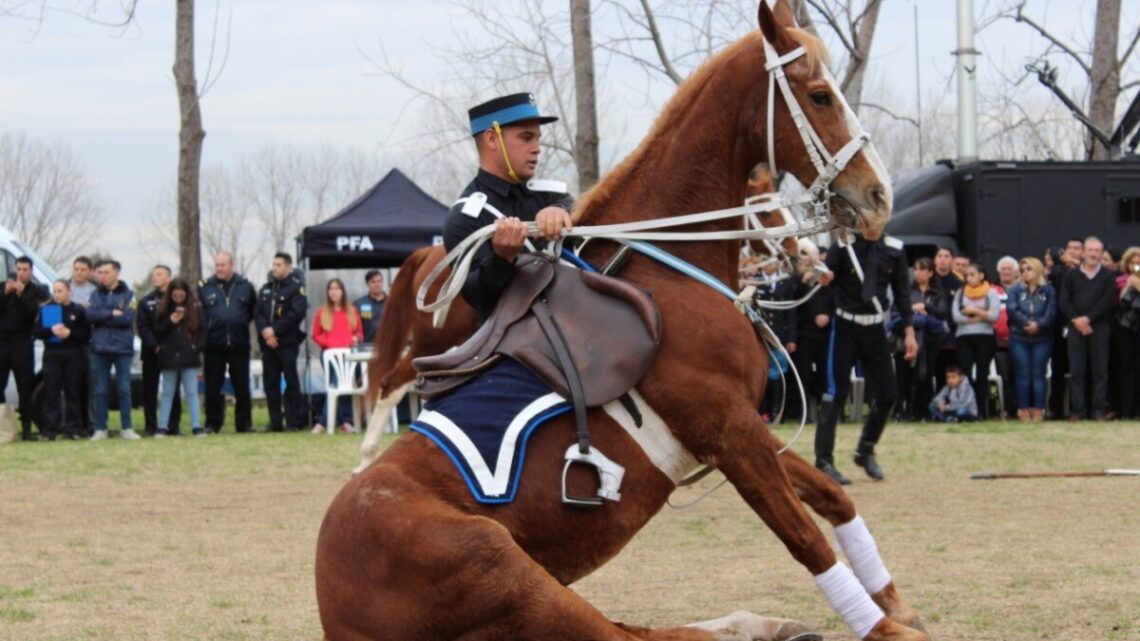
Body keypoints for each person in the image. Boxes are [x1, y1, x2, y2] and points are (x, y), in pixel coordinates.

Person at [442, 92, 574, 321]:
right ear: (492, 139)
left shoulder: (551, 195)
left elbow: (592, 215)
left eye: (537, 138)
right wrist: (501, 257)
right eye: (526, 137)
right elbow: (478, 298)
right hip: (516, 349)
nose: (537, 148)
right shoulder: (465, 218)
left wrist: (561, 209)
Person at [814, 228, 917, 485]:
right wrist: (823, 278)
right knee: (835, 393)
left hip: (875, 328)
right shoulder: (843, 244)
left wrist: (909, 332)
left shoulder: (895, 247)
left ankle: (866, 449)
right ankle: (824, 461)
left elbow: (903, 294)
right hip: (846, 326)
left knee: (888, 393)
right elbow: (826, 278)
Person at [1059, 237, 1116, 420]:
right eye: (1090, 250)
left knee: (1099, 371)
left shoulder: (1108, 275)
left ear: (1101, 253)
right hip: (1076, 327)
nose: (1093, 254)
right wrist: (1077, 320)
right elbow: (1064, 301)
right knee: (1077, 370)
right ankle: (1078, 410)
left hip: (1099, 327)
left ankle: (1098, 410)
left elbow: (1108, 301)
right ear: (1083, 253)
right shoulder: (1071, 275)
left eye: (1097, 251)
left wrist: (1088, 319)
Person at [200, 251, 256, 434]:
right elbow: (201, 315)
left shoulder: (245, 286)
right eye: (217, 265)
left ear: (232, 265)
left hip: (239, 344)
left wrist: (236, 323)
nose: (219, 269)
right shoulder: (206, 287)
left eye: (223, 265)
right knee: (213, 386)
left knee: (241, 386)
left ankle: (244, 424)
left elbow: (252, 312)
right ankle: (213, 423)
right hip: (214, 345)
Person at [255, 252, 308, 433]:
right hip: (268, 344)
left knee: (291, 381)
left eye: (279, 265)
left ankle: (292, 422)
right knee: (271, 383)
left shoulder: (296, 288)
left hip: (286, 343)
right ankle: (275, 421)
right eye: (274, 264)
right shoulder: (266, 288)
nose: (275, 268)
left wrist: (275, 330)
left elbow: (296, 314)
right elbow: (259, 313)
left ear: (288, 267)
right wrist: (266, 333)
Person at [87, 260, 139, 440]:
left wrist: (103, 316)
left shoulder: (129, 295)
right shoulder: (94, 295)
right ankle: (100, 428)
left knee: (124, 388)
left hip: (122, 348)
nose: (102, 276)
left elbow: (127, 318)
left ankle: (127, 427)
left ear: (116, 272)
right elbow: (90, 315)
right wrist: (111, 313)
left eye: (106, 272)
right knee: (100, 389)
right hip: (99, 348)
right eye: (99, 272)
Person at [0, 256, 50, 440]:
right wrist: (6, 293)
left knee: (25, 387)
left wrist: (20, 296)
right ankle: (3, 425)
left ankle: (27, 429)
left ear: (31, 271)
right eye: (18, 269)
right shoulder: (3, 286)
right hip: (2, 342)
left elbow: (32, 314)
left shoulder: (37, 292)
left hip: (23, 342)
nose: (21, 273)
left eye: (25, 270)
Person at [893, 257, 949, 421]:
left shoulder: (937, 293)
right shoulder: (906, 292)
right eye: (915, 269)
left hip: (930, 341)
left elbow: (942, 315)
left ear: (930, 272)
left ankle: (923, 411)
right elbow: (896, 314)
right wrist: (914, 311)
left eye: (921, 269)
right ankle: (903, 410)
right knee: (904, 377)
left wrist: (926, 307)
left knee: (924, 376)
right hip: (906, 340)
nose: (917, 273)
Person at [33, 280, 90, 440]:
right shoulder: (48, 309)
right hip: (52, 354)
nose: (57, 295)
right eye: (55, 291)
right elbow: (37, 332)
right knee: (52, 392)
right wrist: (50, 330)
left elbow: (86, 335)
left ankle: (73, 429)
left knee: (73, 392)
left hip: (73, 354)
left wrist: (69, 333)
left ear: (69, 291)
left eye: (60, 291)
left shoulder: (78, 310)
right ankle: (50, 430)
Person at [153, 280, 205, 437]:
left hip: (189, 355)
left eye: (181, 294)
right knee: (167, 392)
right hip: (169, 356)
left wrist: (196, 348)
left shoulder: (196, 308)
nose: (178, 297)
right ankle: (162, 426)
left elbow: (203, 332)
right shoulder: (162, 309)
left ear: (186, 293)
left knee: (191, 392)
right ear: (170, 294)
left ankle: (196, 426)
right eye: (174, 294)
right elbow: (158, 331)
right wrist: (171, 321)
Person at [1006, 257, 1056, 422]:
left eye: (1029, 269)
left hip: (1042, 337)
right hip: (1019, 336)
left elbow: (1051, 312)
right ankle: (1024, 408)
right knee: (1023, 373)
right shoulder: (1015, 290)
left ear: (1038, 270)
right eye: (1023, 270)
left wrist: (1039, 325)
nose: (1025, 273)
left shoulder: (1048, 290)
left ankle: (1039, 408)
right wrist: (1027, 323)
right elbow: (1012, 311)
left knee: (1038, 373)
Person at [312, 278, 364, 434]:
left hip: (348, 355)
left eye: (337, 288)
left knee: (338, 387)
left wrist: (355, 339)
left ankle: (326, 423)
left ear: (342, 291)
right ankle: (339, 422)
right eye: (331, 289)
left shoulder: (352, 311)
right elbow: (316, 335)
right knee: (335, 385)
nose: (334, 292)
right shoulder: (322, 311)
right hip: (329, 355)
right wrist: (329, 343)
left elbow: (360, 333)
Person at [950, 263, 1001, 419]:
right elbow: (956, 317)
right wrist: (982, 317)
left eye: (972, 274)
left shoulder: (991, 293)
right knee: (965, 373)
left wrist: (973, 311)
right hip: (964, 337)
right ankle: (967, 407)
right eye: (967, 275)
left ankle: (982, 410)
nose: (969, 277)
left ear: (981, 275)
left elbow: (994, 316)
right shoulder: (960, 293)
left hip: (985, 337)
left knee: (982, 373)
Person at [136, 265, 181, 436]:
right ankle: (150, 426)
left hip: (171, 351)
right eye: (153, 274)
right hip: (151, 352)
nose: (155, 277)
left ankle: (172, 425)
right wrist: (154, 345)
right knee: (150, 390)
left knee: (173, 390)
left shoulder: (176, 301)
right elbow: (143, 327)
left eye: (159, 274)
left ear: (168, 278)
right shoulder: (146, 301)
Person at [1047, 238, 1082, 419]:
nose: (1074, 252)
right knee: (1058, 368)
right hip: (1060, 326)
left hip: (1082, 325)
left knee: (1080, 369)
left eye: (1078, 248)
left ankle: (1080, 408)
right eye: (1070, 248)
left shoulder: (1088, 271)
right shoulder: (1058, 271)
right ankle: (1056, 409)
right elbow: (1052, 253)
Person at [1114, 247, 1140, 419]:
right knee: (1127, 369)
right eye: (1133, 263)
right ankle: (1126, 411)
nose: (1136, 266)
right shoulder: (1121, 280)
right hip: (1126, 328)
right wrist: (1128, 285)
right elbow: (1118, 303)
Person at [354, 270, 388, 345]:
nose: (376, 284)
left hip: (388, 346)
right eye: (373, 282)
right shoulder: (359, 304)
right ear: (367, 284)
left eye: (379, 281)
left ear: (382, 282)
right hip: (366, 347)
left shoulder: (391, 303)